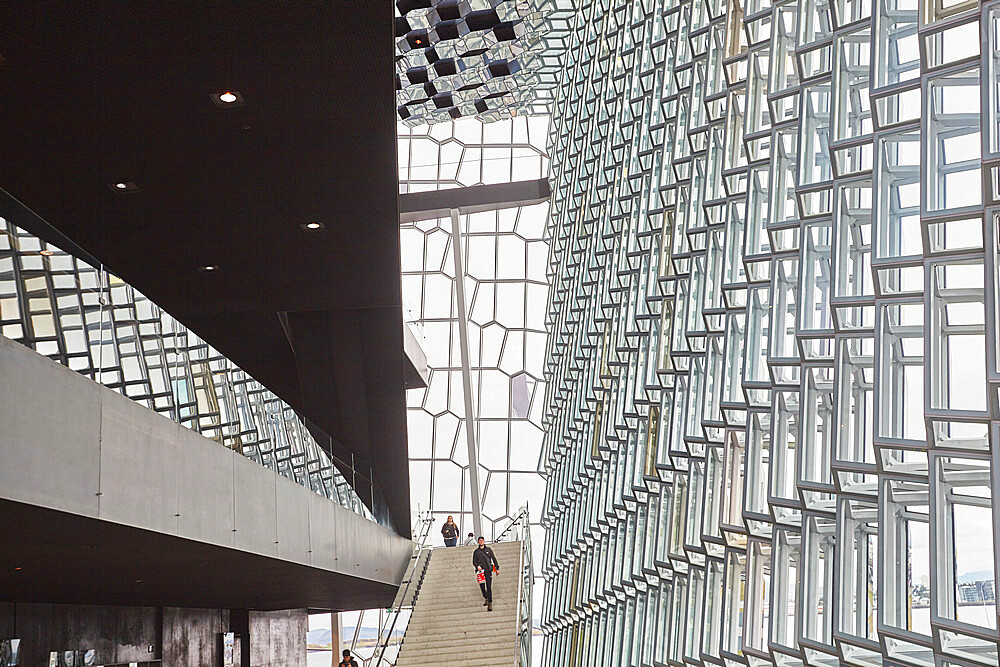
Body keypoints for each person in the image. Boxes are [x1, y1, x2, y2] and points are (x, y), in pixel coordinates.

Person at [472, 536, 500, 611]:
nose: (481, 542)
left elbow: (493, 559)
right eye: (480, 540)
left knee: (488, 586)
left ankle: (490, 603)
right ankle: (486, 597)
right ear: (478, 542)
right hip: (480, 572)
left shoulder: (488, 550)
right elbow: (474, 561)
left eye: (482, 540)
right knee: (482, 587)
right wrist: (477, 566)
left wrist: (497, 568)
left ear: (484, 541)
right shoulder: (476, 551)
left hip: (488, 570)